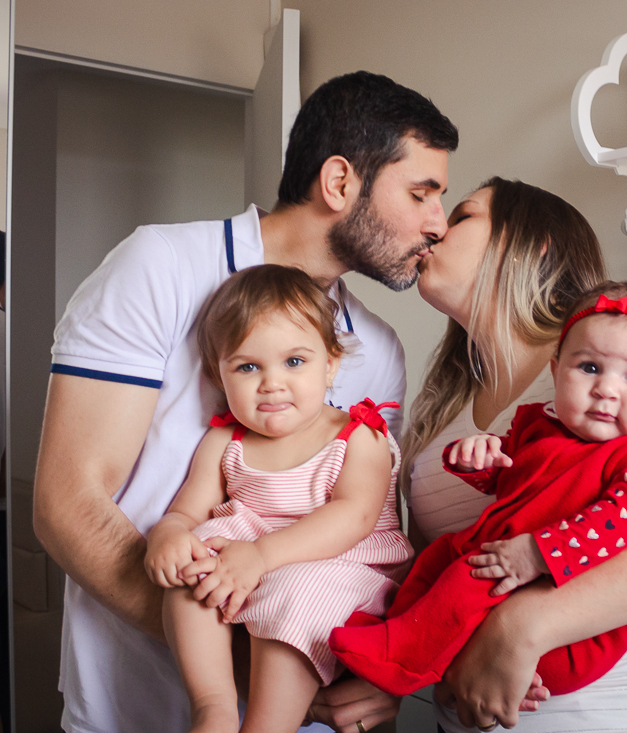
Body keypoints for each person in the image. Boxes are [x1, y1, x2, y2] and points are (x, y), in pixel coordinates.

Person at [34, 71, 458, 733]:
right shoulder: (160, 267)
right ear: (340, 182)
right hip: (137, 708)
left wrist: (380, 675)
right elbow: (68, 503)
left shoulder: (377, 349)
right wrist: (254, 662)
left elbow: (369, 535)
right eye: (421, 193)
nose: (438, 223)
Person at [403, 177, 627, 732]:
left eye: (462, 215)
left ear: (533, 243)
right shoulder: (441, 412)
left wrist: (521, 626)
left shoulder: (623, 351)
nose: (433, 227)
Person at [331, 282, 627, 697]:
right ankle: (394, 630)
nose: (607, 389)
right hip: (506, 575)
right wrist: (478, 460)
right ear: (557, 371)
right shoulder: (538, 424)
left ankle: (400, 658)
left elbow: (620, 521)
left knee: (470, 575)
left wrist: (539, 553)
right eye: (590, 367)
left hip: (567, 614)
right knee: (440, 556)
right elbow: (511, 480)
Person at [145, 265, 413, 733]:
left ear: (330, 363)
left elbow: (354, 516)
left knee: (296, 594)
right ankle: (214, 705)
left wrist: (263, 555)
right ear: (218, 374)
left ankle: (269, 725)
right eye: (248, 367)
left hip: (339, 566)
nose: (272, 383)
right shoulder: (224, 441)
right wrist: (168, 534)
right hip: (247, 562)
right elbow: (188, 509)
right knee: (194, 575)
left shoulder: (356, 435)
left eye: (294, 362)